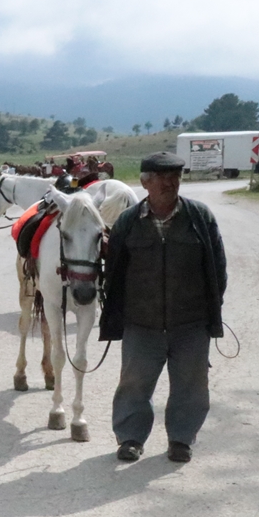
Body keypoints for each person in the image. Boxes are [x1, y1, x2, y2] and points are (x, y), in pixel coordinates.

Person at [100, 152, 227, 463]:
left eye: (176, 176)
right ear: (145, 183)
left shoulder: (200, 217)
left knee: (190, 385)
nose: (172, 183)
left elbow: (217, 269)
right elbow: (113, 273)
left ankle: (181, 439)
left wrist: (210, 308)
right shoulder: (128, 222)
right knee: (134, 384)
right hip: (141, 324)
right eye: (163, 177)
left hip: (191, 323)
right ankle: (130, 438)